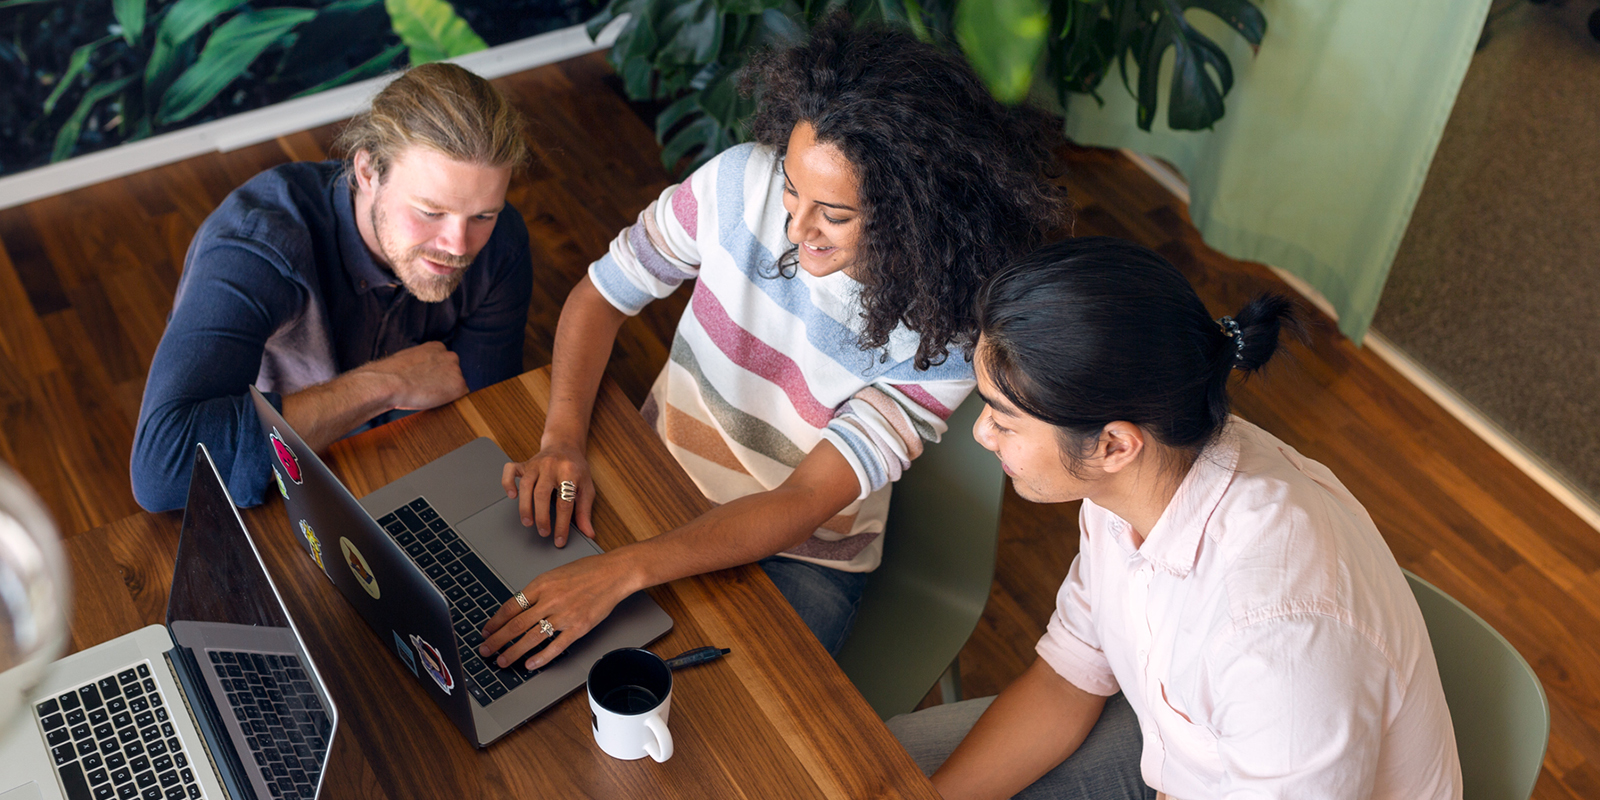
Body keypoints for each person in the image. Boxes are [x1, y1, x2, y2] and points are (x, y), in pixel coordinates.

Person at [478, 14, 1068, 668]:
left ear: (915, 211)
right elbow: (602, 295)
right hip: (658, 470)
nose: (796, 227)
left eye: (835, 215)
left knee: (710, 734)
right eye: (791, 189)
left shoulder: (947, 335)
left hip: (801, 555)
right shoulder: (737, 184)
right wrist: (561, 440)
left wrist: (623, 571)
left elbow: (802, 502)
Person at [885, 237, 1463, 799]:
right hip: (1188, 760)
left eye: (1004, 419)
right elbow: (1066, 681)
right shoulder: (1137, 477)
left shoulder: (1278, 634)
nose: (982, 433)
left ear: (1114, 445)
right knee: (889, 764)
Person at [130, 63, 534, 512]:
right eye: (430, 211)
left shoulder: (501, 244)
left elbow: (485, 423)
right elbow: (161, 470)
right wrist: (385, 383)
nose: (458, 245)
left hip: (401, 477)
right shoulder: (259, 245)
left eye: (483, 214)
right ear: (366, 171)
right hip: (270, 492)